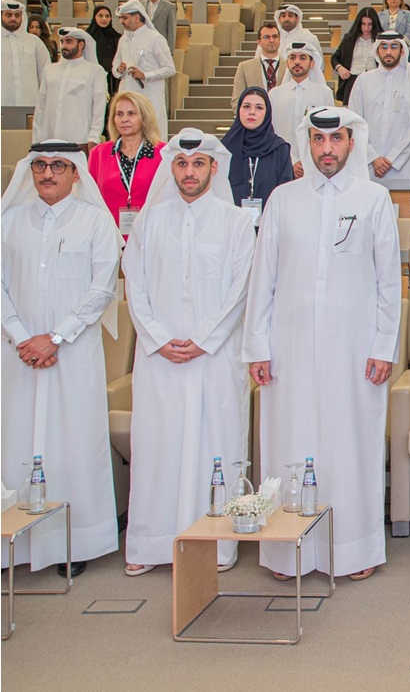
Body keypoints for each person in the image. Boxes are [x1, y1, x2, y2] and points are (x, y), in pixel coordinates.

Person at [244, 107, 401, 582]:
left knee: (350, 443)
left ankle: (353, 549)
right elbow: (262, 278)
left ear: (351, 143)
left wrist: (384, 345)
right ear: (308, 144)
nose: (327, 149)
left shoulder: (373, 199)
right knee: (287, 441)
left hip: (354, 348)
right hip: (287, 347)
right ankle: (285, 548)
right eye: (317, 140)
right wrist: (257, 345)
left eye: (335, 140)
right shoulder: (282, 199)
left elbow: (388, 282)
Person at [121, 131, 255, 576]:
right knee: (157, 446)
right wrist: (159, 338)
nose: (190, 172)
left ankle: (216, 545)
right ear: (171, 169)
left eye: (199, 165)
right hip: (159, 357)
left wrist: (203, 338)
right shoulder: (149, 222)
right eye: (182, 164)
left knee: (216, 445)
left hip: (214, 357)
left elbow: (241, 291)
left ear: (214, 169)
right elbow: (134, 287)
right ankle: (150, 542)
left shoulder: (235, 222)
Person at [1, 141, 121, 577]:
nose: (47, 173)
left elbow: (102, 288)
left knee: (72, 444)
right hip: (17, 356)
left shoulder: (95, 221)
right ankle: (13, 541)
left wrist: (54, 338)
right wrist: (21, 337)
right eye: (40, 166)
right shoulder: (9, 220)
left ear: (75, 174)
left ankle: (75, 541)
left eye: (58, 166)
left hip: (72, 353)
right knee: (15, 439)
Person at [351, 32, 410, 188]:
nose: (388, 52)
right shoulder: (363, 81)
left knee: (406, 211)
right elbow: (355, 124)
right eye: (384, 47)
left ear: (402, 50)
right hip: (369, 165)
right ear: (377, 51)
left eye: (394, 46)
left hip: (405, 166)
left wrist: (393, 159)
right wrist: (373, 158)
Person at [88, 92, 165, 234]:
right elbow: (90, 198)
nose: (124, 119)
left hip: (151, 233)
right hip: (108, 234)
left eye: (131, 114)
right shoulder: (98, 153)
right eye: (119, 114)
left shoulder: (164, 154)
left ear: (144, 117)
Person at [223, 87, 294, 217]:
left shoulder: (279, 149)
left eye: (259, 108)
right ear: (238, 110)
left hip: (270, 225)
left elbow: (286, 193)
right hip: (231, 225)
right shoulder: (224, 149)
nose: (252, 112)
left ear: (267, 113)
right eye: (246, 106)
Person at [33, 28, 107, 146]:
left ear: (81, 44)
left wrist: (93, 137)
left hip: (79, 139)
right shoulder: (50, 70)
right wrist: (36, 139)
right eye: (62, 42)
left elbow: (99, 108)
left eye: (69, 41)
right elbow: (41, 107)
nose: (64, 46)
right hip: (49, 139)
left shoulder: (95, 71)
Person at [270, 42, 334, 175]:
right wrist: (292, 161)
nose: (297, 61)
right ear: (287, 63)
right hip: (281, 163)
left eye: (303, 58)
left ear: (312, 63)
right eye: (292, 57)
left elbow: (327, 132)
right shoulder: (275, 94)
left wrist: (306, 162)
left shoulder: (324, 93)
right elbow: (272, 132)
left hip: (315, 166)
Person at [1, 0, 51, 107]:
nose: (13, 18)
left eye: (17, 15)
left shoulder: (34, 42)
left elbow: (45, 73)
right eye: (8, 15)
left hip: (30, 102)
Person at [231, 23, 283, 110]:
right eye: (266, 37)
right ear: (259, 42)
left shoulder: (289, 67)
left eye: (275, 36)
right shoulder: (244, 67)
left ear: (280, 39)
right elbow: (237, 100)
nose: (271, 40)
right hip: (255, 119)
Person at [86, 4, 122, 96]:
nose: (104, 19)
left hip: (112, 78)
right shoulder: (87, 37)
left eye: (107, 16)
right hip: (92, 77)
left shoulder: (117, 37)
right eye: (100, 16)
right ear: (94, 17)